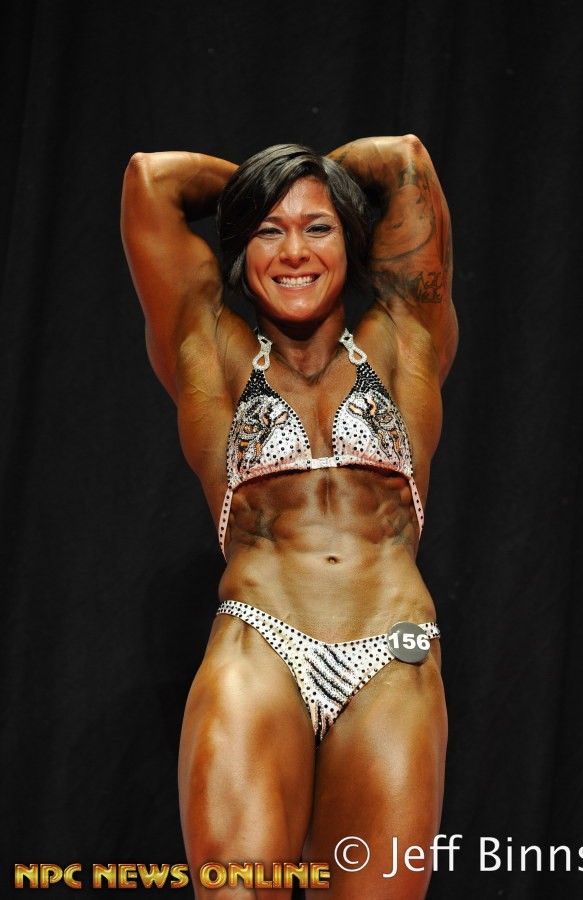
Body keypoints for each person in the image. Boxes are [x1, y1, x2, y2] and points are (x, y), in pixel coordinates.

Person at [121, 135, 457, 899]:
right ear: (243, 249)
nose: (294, 252)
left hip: (393, 655)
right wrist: (263, 186)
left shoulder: (406, 338)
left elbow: (404, 160)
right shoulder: (210, 352)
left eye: (318, 227)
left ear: (352, 238)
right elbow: (150, 180)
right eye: (269, 231)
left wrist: (311, 176)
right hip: (260, 649)